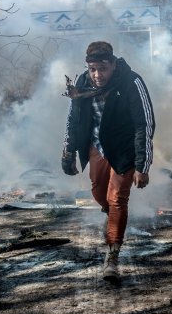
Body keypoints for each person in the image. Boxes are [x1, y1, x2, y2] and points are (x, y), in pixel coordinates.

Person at [62, 41, 155, 281]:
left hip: (124, 149)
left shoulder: (131, 82)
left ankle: (112, 255)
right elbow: (74, 120)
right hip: (96, 146)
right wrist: (68, 152)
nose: (97, 75)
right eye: (92, 69)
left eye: (102, 68)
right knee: (98, 193)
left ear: (113, 64)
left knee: (117, 199)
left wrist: (143, 166)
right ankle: (112, 213)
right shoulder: (82, 84)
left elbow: (145, 123)